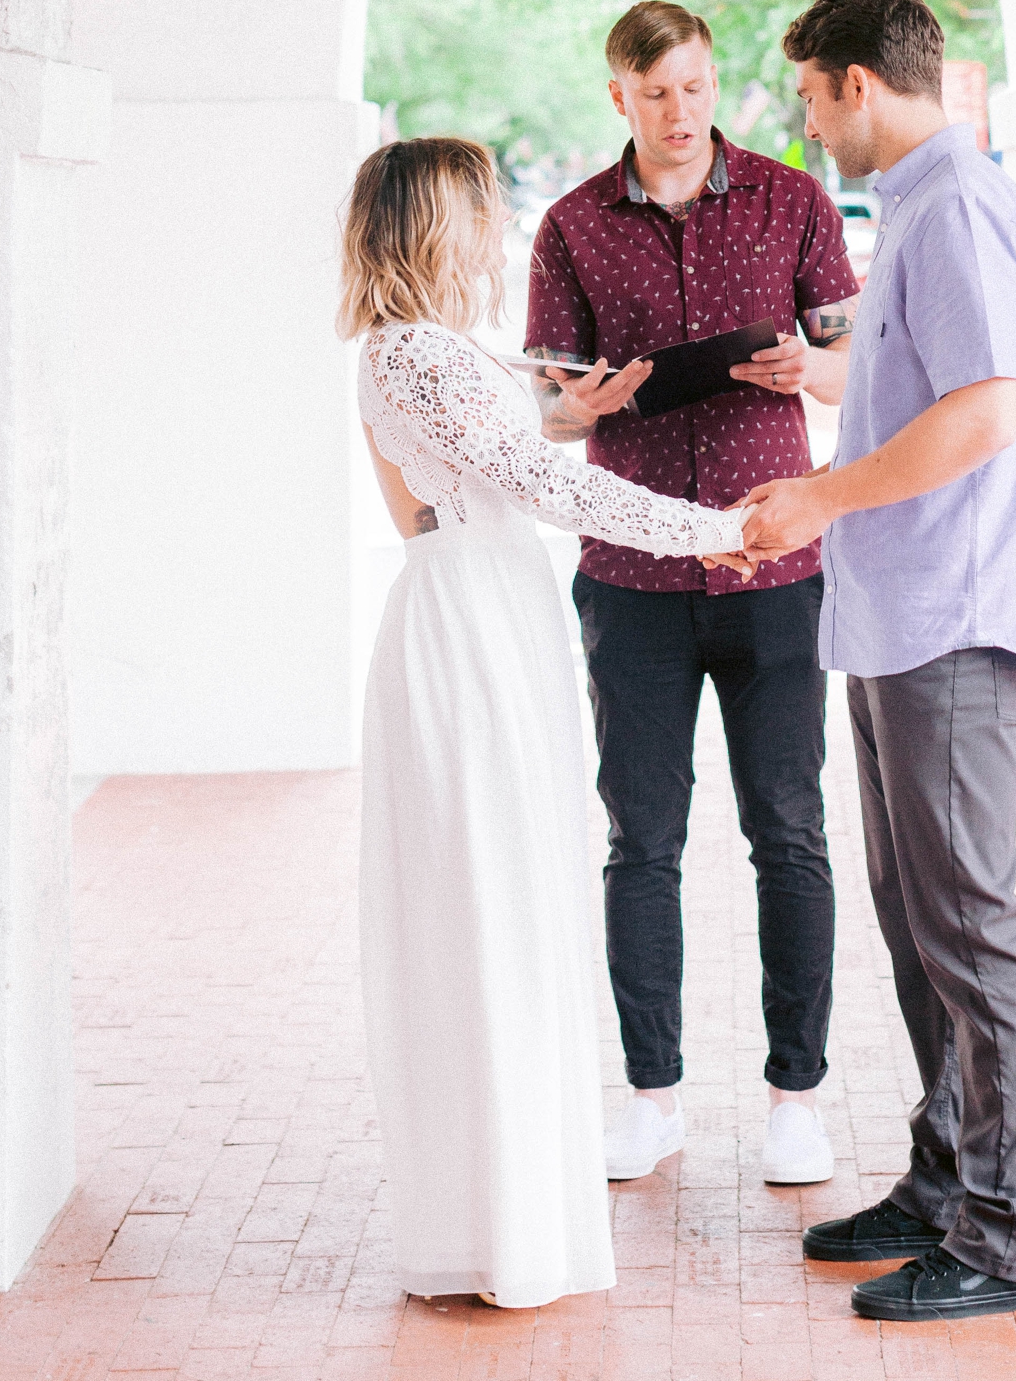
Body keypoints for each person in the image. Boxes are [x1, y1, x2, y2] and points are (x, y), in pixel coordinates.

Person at [341, 134, 756, 1313]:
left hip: (479, 610)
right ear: (435, 226)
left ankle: (501, 1213)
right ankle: (505, 1229)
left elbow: (494, 460)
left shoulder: (421, 352)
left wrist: (548, 409)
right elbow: (551, 492)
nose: (496, 230)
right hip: (469, 627)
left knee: (504, 902)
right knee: (494, 905)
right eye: (478, 210)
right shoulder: (417, 351)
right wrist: (716, 528)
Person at [739, 0, 1016, 1326]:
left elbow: (987, 410)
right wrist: (822, 389)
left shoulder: (953, 203)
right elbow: (923, 388)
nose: (813, 127)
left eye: (814, 98)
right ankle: (946, 1184)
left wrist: (819, 495)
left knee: (972, 925)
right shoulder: (925, 205)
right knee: (919, 920)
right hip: (898, 619)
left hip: (953, 616)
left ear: (856, 81)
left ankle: (1009, 1236)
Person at [525, 0, 860, 1186]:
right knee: (642, 844)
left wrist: (805, 367)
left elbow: (851, 362)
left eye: (697, 86)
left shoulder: (793, 202)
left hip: (774, 568)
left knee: (789, 833)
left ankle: (795, 1100)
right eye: (656, 92)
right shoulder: (569, 227)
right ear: (617, 95)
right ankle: (653, 1096)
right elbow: (549, 409)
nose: (680, 113)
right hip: (631, 580)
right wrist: (587, 408)